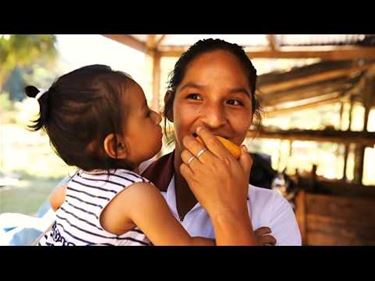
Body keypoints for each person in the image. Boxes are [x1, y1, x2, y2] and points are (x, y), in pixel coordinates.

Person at [25, 64, 216, 246]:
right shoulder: (137, 194)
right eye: (146, 114)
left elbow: (55, 201)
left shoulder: (79, 180)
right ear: (117, 145)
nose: (157, 117)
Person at [140, 38, 301, 245]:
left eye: (233, 102)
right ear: (170, 106)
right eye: (195, 97)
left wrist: (230, 213)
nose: (214, 120)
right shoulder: (125, 188)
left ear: (251, 116)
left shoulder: (271, 212)